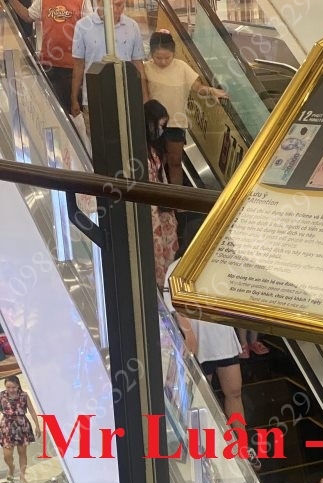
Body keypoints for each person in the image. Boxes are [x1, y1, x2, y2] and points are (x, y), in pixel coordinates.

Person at [163, 238, 246, 425]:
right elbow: (174, 307)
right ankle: (201, 439)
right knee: (201, 399)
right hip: (198, 344)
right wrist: (189, 335)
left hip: (224, 339)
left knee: (234, 391)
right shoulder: (178, 267)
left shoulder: (221, 265)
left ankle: (240, 440)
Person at [144, 30, 227, 185]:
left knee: (175, 162)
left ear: (174, 53)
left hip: (176, 123)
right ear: (151, 54)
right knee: (155, 163)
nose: (163, 62)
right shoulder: (145, 68)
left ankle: (177, 195)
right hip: (153, 124)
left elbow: (197, 87)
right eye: (158, 58)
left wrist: (211, 91)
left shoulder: (182, 67)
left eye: (167, 58)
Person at [70, 0, 148, 135]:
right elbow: (78, 65)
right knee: (96, 140)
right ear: (101, 2)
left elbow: (138, 64)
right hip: (94, 99)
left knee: (125, 139)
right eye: (114, 5)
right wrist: (74, 98)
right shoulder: (83, 26)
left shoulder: (132, 26)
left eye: (121, 4)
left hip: (126, 98)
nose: (118, 9)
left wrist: (145, 97)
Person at [9, 0, 92, 113]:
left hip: (73, 69)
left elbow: (90, 27)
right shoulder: (42, 1)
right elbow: (28, 16)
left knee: (74, 111)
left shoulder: (82, 1)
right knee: (52, 111)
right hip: (48, 67)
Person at [144, 99, 179, 288]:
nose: (160, 130)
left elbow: (161, 175)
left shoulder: (155, 147)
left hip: (159, 204)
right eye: (159, 125)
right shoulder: (140, 149)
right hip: (150, 207)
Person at [1, 375, 40, 483]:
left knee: (22, 452)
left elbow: (31, 411)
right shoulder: (2, 395)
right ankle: (11, 467)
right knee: (7, 455)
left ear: (18, 386)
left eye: (13, 387)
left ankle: (22, 476)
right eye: (8, 387)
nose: (11, 390)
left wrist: (37, 425)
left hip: (22, 426)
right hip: (7, 427)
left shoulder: (24, 395)